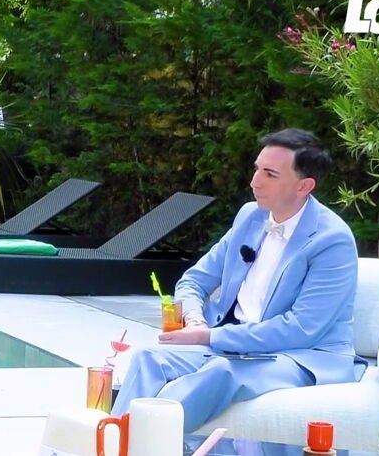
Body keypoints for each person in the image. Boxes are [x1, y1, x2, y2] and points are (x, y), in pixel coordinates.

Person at [110, 128, 361, 432]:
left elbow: (301, 329)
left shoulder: (332, 240)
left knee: (221, 372)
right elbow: (194, 280)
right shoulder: (250, 216)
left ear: (304, 186)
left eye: (270, 174)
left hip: (299, 357)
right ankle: (114, 442)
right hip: (232, 345)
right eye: (257, 169)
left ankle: (139, 440)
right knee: (148, 359)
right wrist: (195, 318)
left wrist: (209, 337)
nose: (255, 182)